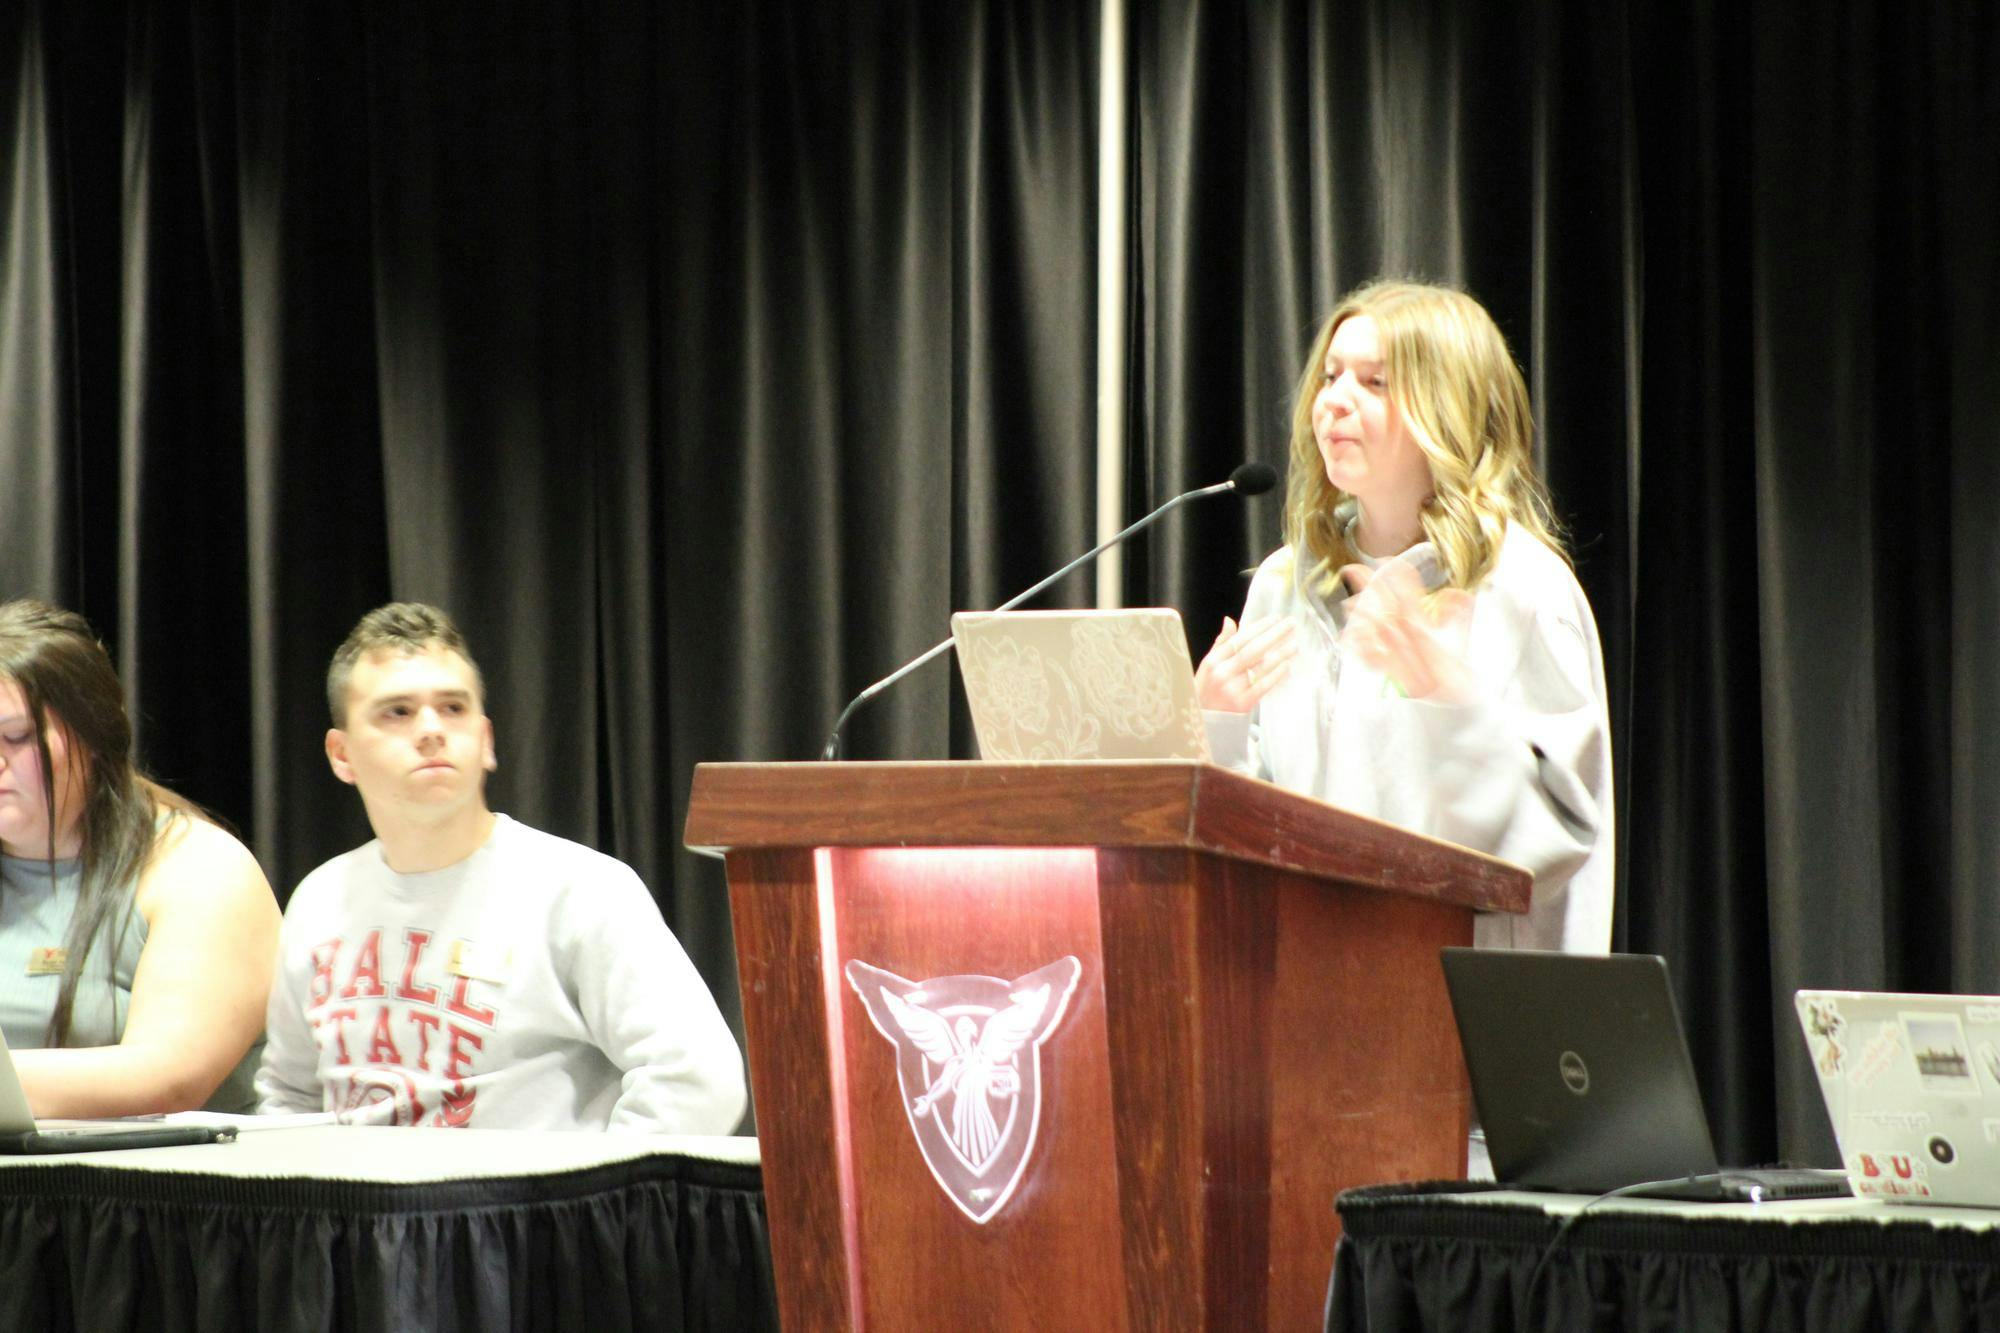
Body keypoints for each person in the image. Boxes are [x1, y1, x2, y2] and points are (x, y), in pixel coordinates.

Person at [1196, 280, 1612, 954]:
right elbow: (1261, 833)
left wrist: (1454, 713)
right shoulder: (1285, 582)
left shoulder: (1523, 588)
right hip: (1310, 992)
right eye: (1331, 376)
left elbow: (1555, 845)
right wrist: (1217, 727)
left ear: (1447, 409)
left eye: (1374, 382)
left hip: (1462, 1011)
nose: (1333, 400)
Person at [256, 602, 747, 1133]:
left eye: (453, 708)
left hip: (522, 1213)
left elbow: (698, 1081)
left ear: (486, 740)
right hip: (354, 1211)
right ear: (341, 753)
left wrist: (586, 1205)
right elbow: (289, 1096)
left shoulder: (579, 889)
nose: (430, 730)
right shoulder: (318, 900)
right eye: (397, 711)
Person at [0, 599, 279, 1116]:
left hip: (154, 1191)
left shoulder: (199, 869)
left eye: (15, 738)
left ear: (95, 738)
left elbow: (166, 1074)